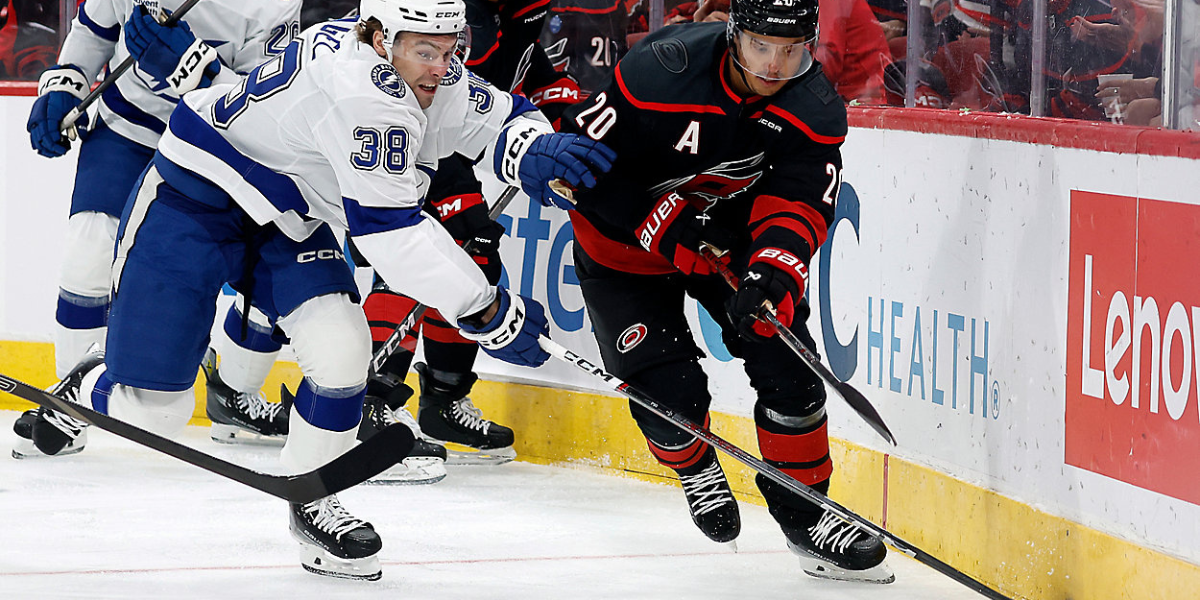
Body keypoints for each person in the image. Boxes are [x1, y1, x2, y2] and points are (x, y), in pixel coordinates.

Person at [28, 0, 614, 580]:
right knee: (155, 412)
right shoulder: (364, 93)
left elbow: (493, 114)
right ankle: (88, 384)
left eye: (449, 48)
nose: (442, 66)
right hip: (196, 195)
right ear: (381, 39)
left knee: (343, 351)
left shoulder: (411, 60)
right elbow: (392, 236)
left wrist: (533, 146)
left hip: (286, 216)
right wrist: (485, 310)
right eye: (426, 51)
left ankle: (314, 496)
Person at [553, 0, 893, 583]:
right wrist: (667, 225)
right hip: (621, 250)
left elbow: (800, 200)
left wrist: (774, 270)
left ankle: (808, 514)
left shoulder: (813, 106)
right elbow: (580, 168)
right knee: (669, 394)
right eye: (761, 46)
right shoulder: (660, 69)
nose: (775, 65)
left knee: (791, 370)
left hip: (724, 247)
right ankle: (696, 469)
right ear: (734, 35)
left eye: (791, 50)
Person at [14, 0, 301, 458]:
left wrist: (196, 69)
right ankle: (70, 402)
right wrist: (64, 83)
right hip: (128, 127)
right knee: (87, 250)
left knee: (273, 277)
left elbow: (267, 106)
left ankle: (234, 393)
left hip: (216, 146)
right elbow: (93, 29)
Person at [354, 0, 583, 466]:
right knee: (416, 263)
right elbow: (440, 91)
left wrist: (568, 124)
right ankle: (369, 400)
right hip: (407, 142)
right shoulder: (465, 12)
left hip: (458, 141)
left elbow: (525, 65)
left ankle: (444, 399)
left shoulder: (520, 11)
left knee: (474, 260)